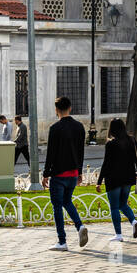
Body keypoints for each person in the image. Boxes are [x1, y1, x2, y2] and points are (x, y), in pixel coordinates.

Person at [41, 96, 88, 251]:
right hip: (73, 172)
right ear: (70, 108)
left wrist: (46, 173)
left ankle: (62, 241)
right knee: (67, 201)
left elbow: (51, 153)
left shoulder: (55, 129)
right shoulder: (79, 127)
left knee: (57, 206)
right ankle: (79, 226)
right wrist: (80, 172)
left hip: (59, 174)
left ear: (56, 110)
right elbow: (81, 151)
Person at [95, 117, 137, 242]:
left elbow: (106, 164)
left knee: (115, 207)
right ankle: (134, 221)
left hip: (113, 178)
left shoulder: (111, 144)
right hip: (128, 177)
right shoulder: (132, 140)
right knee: (123, 203)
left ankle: (119, 235)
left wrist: (99, 181)